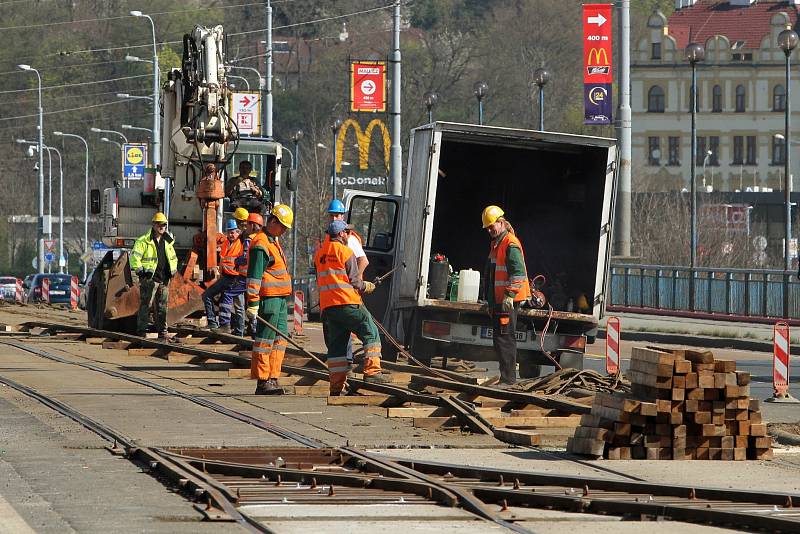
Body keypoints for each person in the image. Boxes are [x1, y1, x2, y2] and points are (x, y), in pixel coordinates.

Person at [315, 220, 391, 396]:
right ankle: (372, 372)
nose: (348, 235)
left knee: (337, 347)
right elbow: (355, 282)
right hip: (348, 303)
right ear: (341, 234)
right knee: (370, 330)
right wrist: (368, 286)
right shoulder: (346, 252)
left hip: (329, 307)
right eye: (347, 232)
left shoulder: (319, 255)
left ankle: (336, 386)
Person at [245, 204, 294, 395]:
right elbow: (254, 277)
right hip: (269, 300)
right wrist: (253, 304)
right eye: (282, 226)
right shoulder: (261, 244)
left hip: (280, 300)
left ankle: (273, 377)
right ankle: (262, 381)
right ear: (273, 221)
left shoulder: (273, 240)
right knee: (265, 341)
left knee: (280, 340)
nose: (284, 231)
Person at [482, 205, 531, 386]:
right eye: (487, 227)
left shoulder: (510, 243)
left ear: (501, 223)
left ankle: (509, 380)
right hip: (499, 301)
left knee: (505, 339)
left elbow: (518, 273)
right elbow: (493, 276)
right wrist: (490, 302)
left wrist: (509, 295)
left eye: (491, 226)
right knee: (500, 339)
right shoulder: (497, 244)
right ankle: (506, 378)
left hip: (507, 302)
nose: (489, 230)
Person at [130, 212, 178, 341]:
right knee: (146, 304)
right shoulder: (143, 241)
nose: (162, 227)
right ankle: (141, 331)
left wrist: (173, 271)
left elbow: (173, 258)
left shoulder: (168, 242)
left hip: (164, 279)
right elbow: (134, 257)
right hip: (150, 278)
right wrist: (141, 272)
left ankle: (163, 331)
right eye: (159, 224)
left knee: (162, 306)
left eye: (164, 224)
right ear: (153, 225)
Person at [201, 219, 244, 333]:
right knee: (207, 295)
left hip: (236, 279)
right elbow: (223, 260)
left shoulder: (241, 243)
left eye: (233, 232)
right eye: (229, 232)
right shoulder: (225, 243)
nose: (230, 234)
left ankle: (239, 332)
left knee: (239, 307)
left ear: (238, 232)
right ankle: (213, 323)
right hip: (225, 277)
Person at [326, 199, 368, 276]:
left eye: (336, 215)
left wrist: (355, 281)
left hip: (346, 286)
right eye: (331, 215)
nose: (334, 219)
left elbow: (363, 261)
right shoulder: (328, 238)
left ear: (342, 217)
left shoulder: (350, 238)